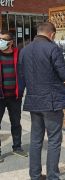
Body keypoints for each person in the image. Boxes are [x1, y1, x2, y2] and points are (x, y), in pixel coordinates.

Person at [19, 22, 65, 180]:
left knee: (36, 140)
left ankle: (34, 175)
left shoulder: (24, 50)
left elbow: (22, 76)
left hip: (34, 100)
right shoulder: (53, 48)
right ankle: (52, 177)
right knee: (54, 140)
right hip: (51, 101)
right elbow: (64, 75)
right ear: (52, 34)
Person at [0, 31, 28, 163]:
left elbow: (25, 73)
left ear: (11, 42)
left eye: (3, 40)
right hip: (0, 96)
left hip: (15, 96)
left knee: (16, 123)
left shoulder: (20, 54)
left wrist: (22, 89)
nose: (0, 42)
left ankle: (17, 147)